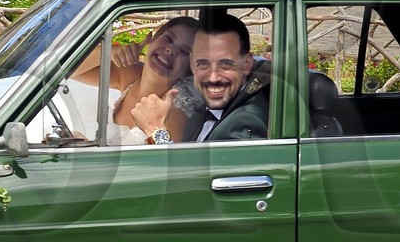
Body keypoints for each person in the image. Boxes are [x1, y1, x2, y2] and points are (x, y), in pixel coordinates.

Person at [47, 16, 198, 145]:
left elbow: (167, 164)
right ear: (153, 38)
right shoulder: (130, 74)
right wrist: (109, 52)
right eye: (169, 39)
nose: (171, 50)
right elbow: (66, 69)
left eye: (184, 51)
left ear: (190, 67)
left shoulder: (176, 105)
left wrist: (155, 132)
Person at [133, 11, 268, 143]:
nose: (213, 78)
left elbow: (197, 167)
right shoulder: (205, 109)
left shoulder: (245, 124)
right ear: (192, 63)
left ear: (246, 64)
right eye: (203, 63)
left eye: (226, 64)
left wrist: (156, 131)